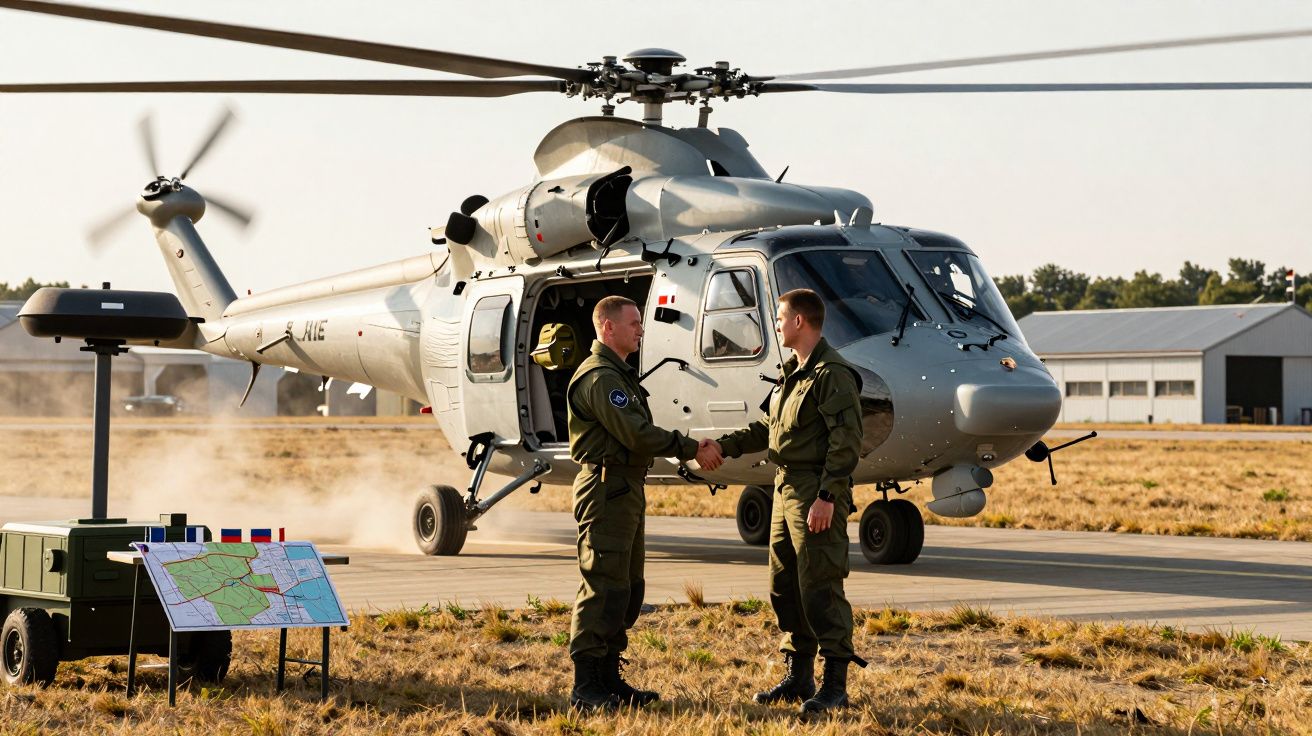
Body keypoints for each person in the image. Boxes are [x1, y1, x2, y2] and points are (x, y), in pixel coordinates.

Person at [705, 288, 866, 714]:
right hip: (784, 487)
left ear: (799, 321)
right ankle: (799, 677)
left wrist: (827, 496)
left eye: (780, 318)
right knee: (786, 587)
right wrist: (723, 446)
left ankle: (835, 686)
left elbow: (846, 442)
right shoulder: (792, 373)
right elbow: (768, 428)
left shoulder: (832, 374)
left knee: (820, 585)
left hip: (814, 490)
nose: (775, 325)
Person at [566, 295, 723, 711]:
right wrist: (690, 447)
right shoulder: (601, 378)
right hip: (605, 489)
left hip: (624, 487)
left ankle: (609, 677)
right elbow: (636, 434)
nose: (640, 330)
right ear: (608, 328)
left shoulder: (619, 375)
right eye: (633, 323)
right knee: (602, 584)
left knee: (626, 587)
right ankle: (586, 687)